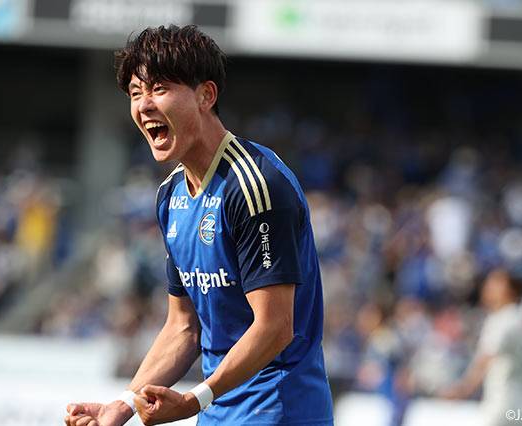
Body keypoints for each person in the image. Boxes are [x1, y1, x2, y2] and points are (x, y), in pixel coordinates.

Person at [65, 24, 334, 426]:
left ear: (206, 95)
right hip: (218, 409)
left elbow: (276, 327)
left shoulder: (254, 185)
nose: (144, 105)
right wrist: (122, 406)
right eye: (136, 93)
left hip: (278, 408)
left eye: (159, 89)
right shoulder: (170, 196)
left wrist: (194, 400)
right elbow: (183, 327)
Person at [439, 268, 522, 426]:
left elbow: (485, 359)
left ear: (510, 290)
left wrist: (462, 389)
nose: (487, 287)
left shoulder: (500, 320)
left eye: (495, 284)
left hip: (503, 404)